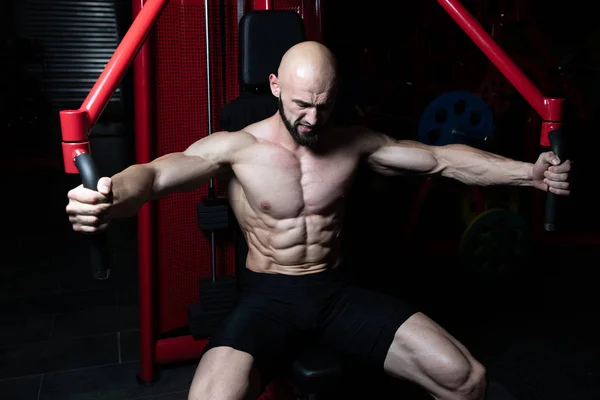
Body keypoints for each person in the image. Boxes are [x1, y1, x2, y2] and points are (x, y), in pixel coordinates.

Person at [66, 41, 571, 400]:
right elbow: (153, 177)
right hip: (267, 296)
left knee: (466, 379)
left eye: (324, 106)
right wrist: (107, 197)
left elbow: (441, 159)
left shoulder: (355, 143)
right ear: (274, 86)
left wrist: (529, 174)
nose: (312, 119)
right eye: (301, 104)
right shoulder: (238, 147)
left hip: (337, 292)